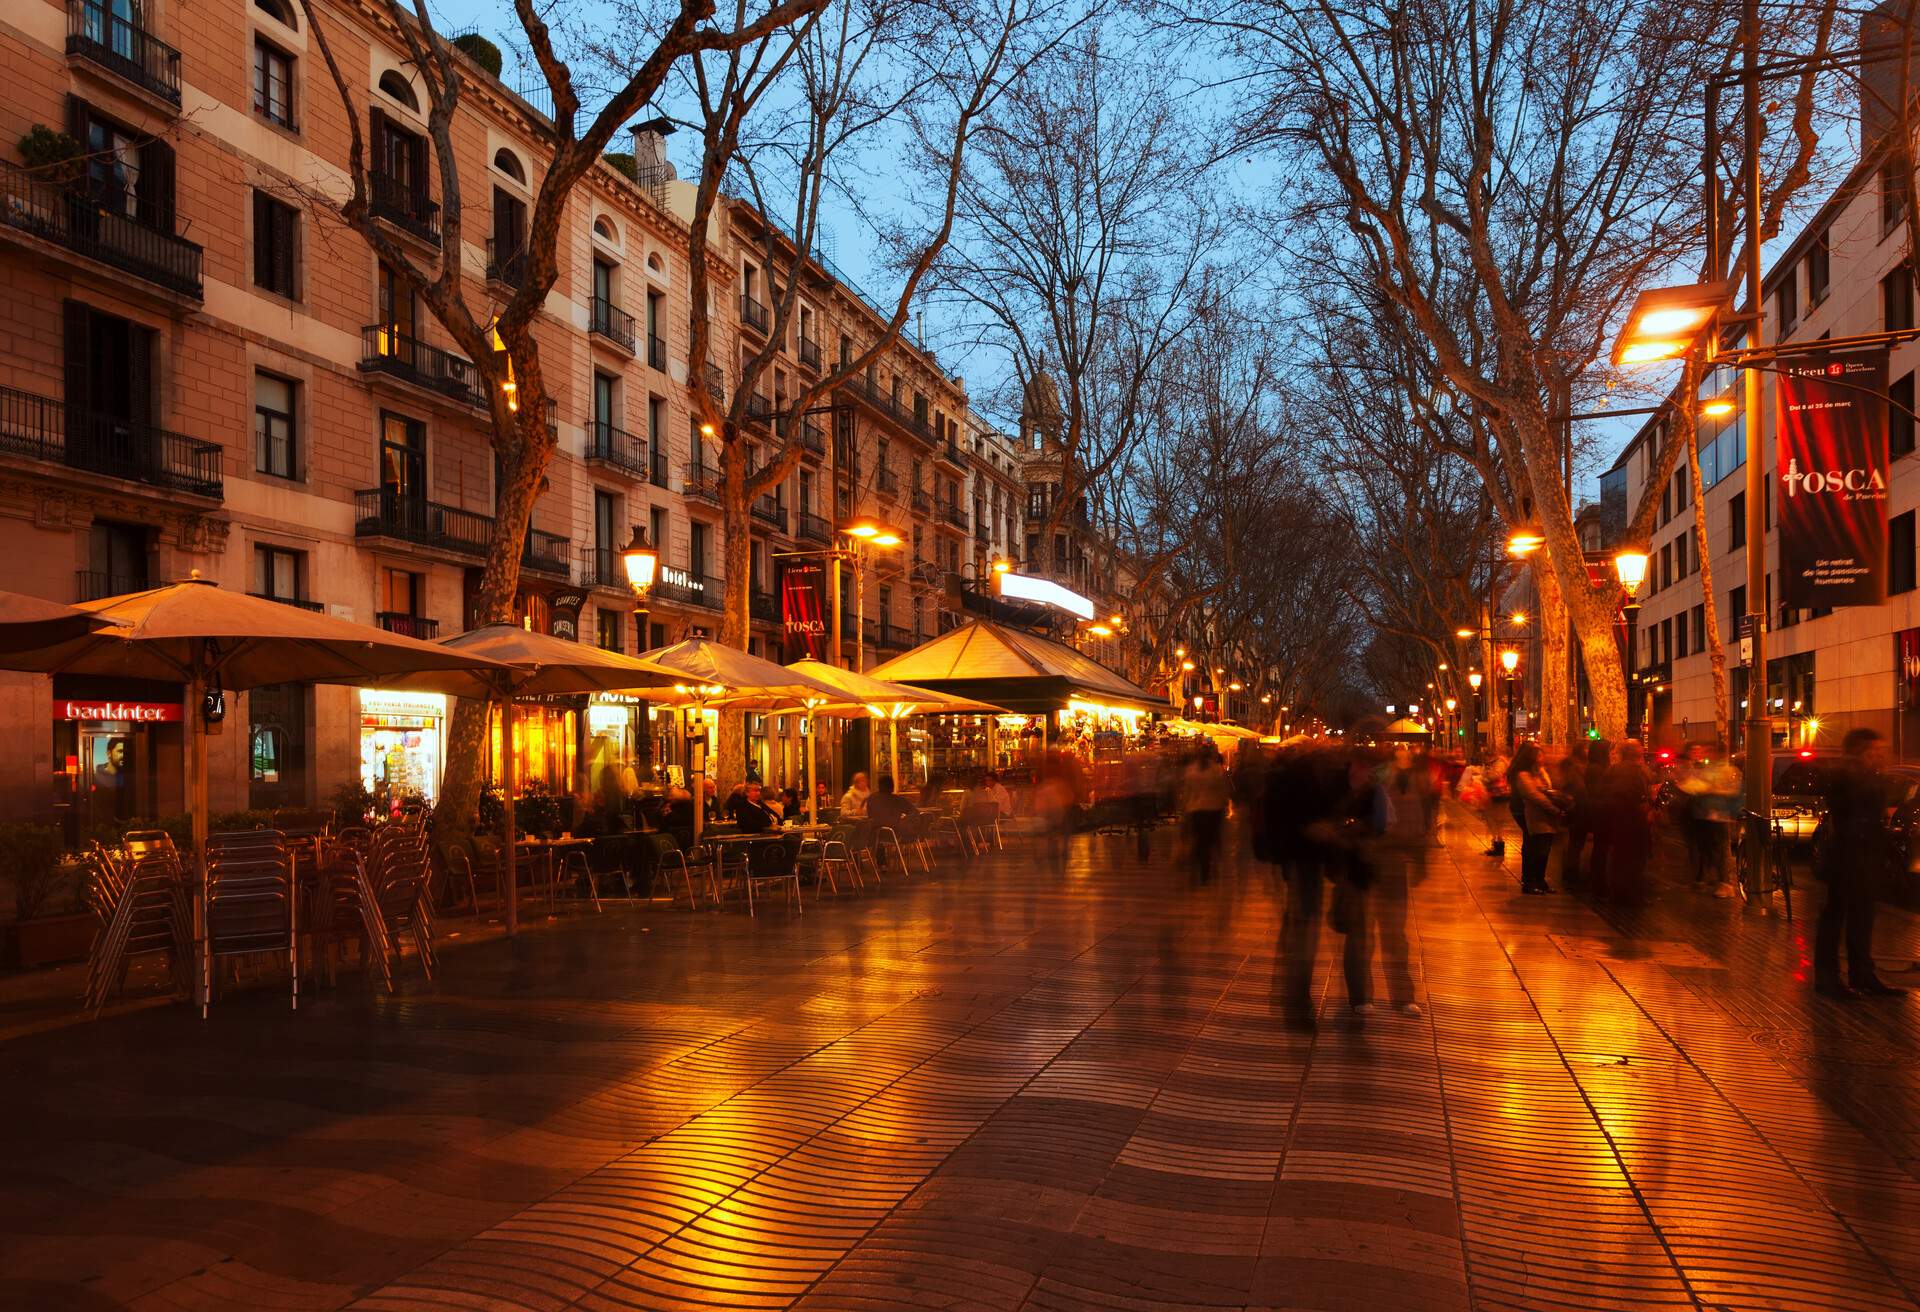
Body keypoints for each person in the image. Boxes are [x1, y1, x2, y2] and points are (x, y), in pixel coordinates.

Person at [1816, 728, 1904, 998]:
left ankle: (1862, 974)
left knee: (1862, 917)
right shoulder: (1848, 775)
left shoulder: (1866, 775)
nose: (1880, 755)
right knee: (1837, 916)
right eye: (1874, 750)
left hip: (1863, 855)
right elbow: (1851, 812)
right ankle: (1829, 978)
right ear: (1860, 750)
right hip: (1849, 856)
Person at [1600, 739, 1654, 903]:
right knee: (1633, 859)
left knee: (1622, 857)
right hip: (1631, 822)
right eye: (1638, 746)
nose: (1641, 748)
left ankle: (1621, 892)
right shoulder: (1630, 772)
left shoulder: (1615, 770)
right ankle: (1629, 893)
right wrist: (1643, 807)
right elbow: (1631, 796)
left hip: (1619, 822)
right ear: (1632, 752)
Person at [1509, 742, 1566, 894]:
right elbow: (1534, 795)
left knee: (1543, 848)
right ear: (1531, 757)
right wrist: (1554, 809)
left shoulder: (1540, 771)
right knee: (1533, 846)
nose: (1543, 757)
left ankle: (1539, 879)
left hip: (1543, 815)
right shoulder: (1523, 775)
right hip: (1530, 814)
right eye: (1539, 755)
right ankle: (1529, 880)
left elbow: (1548, 788)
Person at [1182, 745, 1231, 884]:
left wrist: (1185, 808)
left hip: (1195, 809)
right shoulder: (1216, 770)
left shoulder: (1190, 770)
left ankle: (1196, 866)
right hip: (1213, 809)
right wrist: (1224, 805)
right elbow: (1223, 790)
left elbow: (1187, 791)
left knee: (1197, 839)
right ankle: (1206, 870)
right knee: (1209, 840)